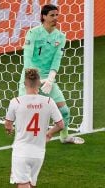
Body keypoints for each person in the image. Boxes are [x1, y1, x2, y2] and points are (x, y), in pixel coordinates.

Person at [19, 4, 84, 144]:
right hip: (30, 78)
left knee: (64, 110)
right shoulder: (33, 33)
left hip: (48, 79)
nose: (55, 18)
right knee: (26, 113)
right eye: (52, 15)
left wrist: (50, 79)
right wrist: (35, 79)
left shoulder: (60, 36)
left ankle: (64, 136)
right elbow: (28, 57)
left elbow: (57, 59)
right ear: (43, 16)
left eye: (57, 15)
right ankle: (25, 142)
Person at [5, 68, 64, 187]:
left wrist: (9, 128)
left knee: (22, 185)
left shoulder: (16, 101)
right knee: (30, 184)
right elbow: (60, 125)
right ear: (39, 83)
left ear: (24, 83)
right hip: (38, 153)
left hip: (21, 151)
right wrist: (49, 133)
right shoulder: (48, 101)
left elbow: (8, 124)